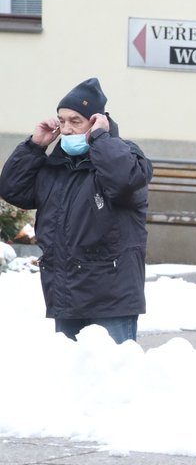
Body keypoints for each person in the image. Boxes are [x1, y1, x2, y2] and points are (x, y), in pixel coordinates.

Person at [0, 78, 153, 344]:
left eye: (75, 121)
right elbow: (12, 189)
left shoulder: (124, 155)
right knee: (73, 380)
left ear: (96, 121)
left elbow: (124, 181)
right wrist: (35, 146)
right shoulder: (56, 165)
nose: (67, 129)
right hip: (66, 294)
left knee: (114, 378)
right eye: (62, 121)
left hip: (112, 299)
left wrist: (101, 139)